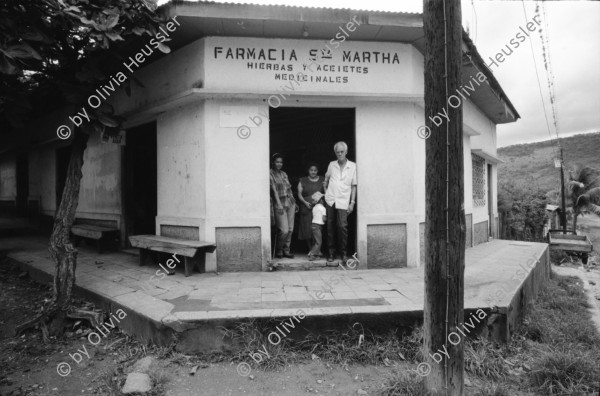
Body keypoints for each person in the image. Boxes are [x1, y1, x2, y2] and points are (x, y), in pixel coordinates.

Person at [323, 141, 357, 263]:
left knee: (342, 226)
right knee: (330, 226)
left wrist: (352, 202)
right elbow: (325, 179)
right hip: (331, 200)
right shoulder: (331, 165)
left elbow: (354, 186)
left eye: (342, 152)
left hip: (343, 200)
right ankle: (331, 252)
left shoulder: (352, 166)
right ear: (335, 153)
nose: (340, 154)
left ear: (346, 152)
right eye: (338, 152)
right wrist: (326, 192)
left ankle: (343, 253)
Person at [270, 153, 296, 259]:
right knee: (284, 230)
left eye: (281, 162)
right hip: (279, 203)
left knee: (290, 229)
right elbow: (274, 190)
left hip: (290, 202)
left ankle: (286, 250)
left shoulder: (284, 174)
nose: (279, 164)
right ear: (273, 162)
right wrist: (279, 204)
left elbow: (289, 189)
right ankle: (279, 250)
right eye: (277, 162)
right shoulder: (270, 173)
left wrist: (295, 202)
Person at [297, 163, 325, 252]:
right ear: (308, 170)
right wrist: (305, 203)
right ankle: (311, 249)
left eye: (315, 170)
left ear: (317, 171)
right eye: (311, 170)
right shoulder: (302, 180)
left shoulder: (322, 179)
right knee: (307, 229)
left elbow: (327, 192)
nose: (313, 172)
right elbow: (299, 194)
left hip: (318, 208)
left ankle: (317, 248)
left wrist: (320, 199)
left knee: (317, 228)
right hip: (307, 207)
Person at [309, 191, 327, 261]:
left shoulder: (314, 208)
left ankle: (317, 253)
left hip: (313, 225)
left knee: (315, 241)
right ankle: (312, 254)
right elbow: (323, 218)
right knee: (319, 241)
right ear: (321, 200)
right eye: (323, 199)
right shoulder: (323, 208)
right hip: (318, 226)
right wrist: (326, 219)